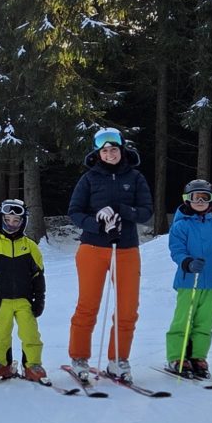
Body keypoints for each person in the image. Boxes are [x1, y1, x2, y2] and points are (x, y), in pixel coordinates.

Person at [65, 126, 154, 384]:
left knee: (127, 309)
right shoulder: (89, 179)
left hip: (126, 249)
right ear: (97, 154)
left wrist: (121, 210)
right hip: (92, 249)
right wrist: (97, 221)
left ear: (121, 149)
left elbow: (146, 211)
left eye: (114, 149)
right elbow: (74, 212)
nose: (110, 154)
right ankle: (79, 358)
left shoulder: (135, 177)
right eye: (104, 151)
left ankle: (118, 359)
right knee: (87, 306)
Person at [165, 181, 212, 379]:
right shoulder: (181, 226)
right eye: (196, 197)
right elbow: (176, 250)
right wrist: (187, 262)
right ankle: (177, 356)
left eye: (205, 197)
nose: (201, 201)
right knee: (183, 320)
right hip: (189, 281)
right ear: (187, 200)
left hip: (211, 282)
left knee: (205, 321)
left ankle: (198, 357)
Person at [0, 199, 47, 383]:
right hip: (1, 301)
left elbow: (38, 275)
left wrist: (40, 299)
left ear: (22, 222)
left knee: (30, 334)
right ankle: (2, 363)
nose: (11, 224)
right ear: (1, 219)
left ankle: (32, 365)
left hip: (25, 300)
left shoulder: (30, 246)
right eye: (8, 219)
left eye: (16, 221)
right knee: (0, 335)